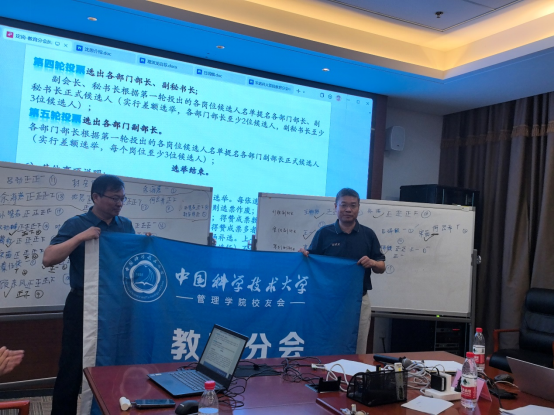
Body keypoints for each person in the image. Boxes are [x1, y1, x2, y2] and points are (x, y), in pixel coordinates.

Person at [43, 175, 136, 415]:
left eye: (122, 198)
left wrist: (144, 244)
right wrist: (80, 238)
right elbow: (49, 258)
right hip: (82, 304)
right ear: (96, 197)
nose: (119, 204)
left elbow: (131, 263)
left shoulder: (125, 225)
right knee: (72, 365)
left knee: (113, 362)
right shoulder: (76, 224)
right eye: (114, 198)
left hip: (115, 305)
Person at [299, 188, 385, 354]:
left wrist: (373, 262)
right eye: (343, 205)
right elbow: (311, 261)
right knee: (328, 343)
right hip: (329, 300)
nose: (348, 209)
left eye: (353, 205)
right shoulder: (324, 233)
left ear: (358, 208)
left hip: (358, 300)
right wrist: (303, 256)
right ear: (335, 207)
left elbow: (381, 267)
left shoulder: (368, 234)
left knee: (358, 346)